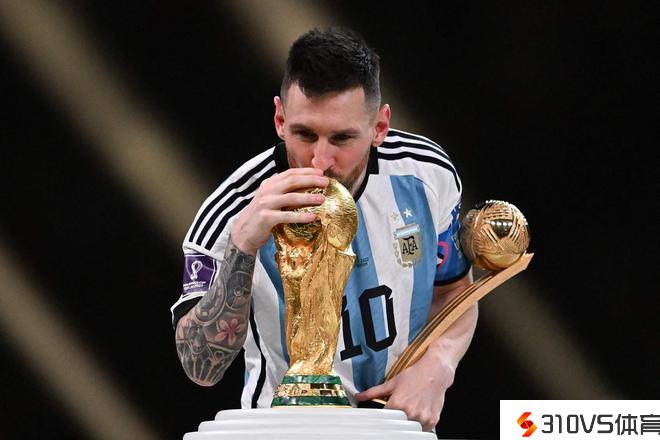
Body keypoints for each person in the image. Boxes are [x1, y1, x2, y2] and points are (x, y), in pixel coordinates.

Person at [171, 27, 477, 432]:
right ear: (280, 119)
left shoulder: (426, 175)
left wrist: (438, 365)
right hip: (282, 431)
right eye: (304, 134)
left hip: (395, 429)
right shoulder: (230, 213)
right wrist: (243, 245)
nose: (320, 160)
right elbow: (200, 367)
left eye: (342, 138)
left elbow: (455, 293)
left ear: (379, 127)